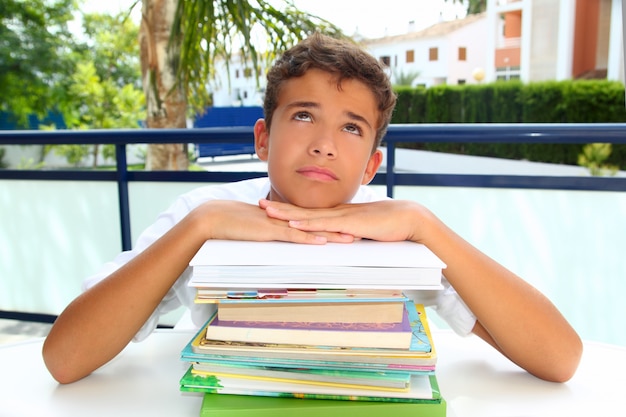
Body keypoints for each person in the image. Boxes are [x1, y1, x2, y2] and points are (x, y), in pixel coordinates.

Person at [42, 32, 582, 385]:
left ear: (371, 166)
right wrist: (198, 230)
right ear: (262, 138)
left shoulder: (396, 228)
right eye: (303, 116)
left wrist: (426, 226)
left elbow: (559, 360)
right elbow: (65, 360)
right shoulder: (206, 210)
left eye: (351, 127)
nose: (325, 143)